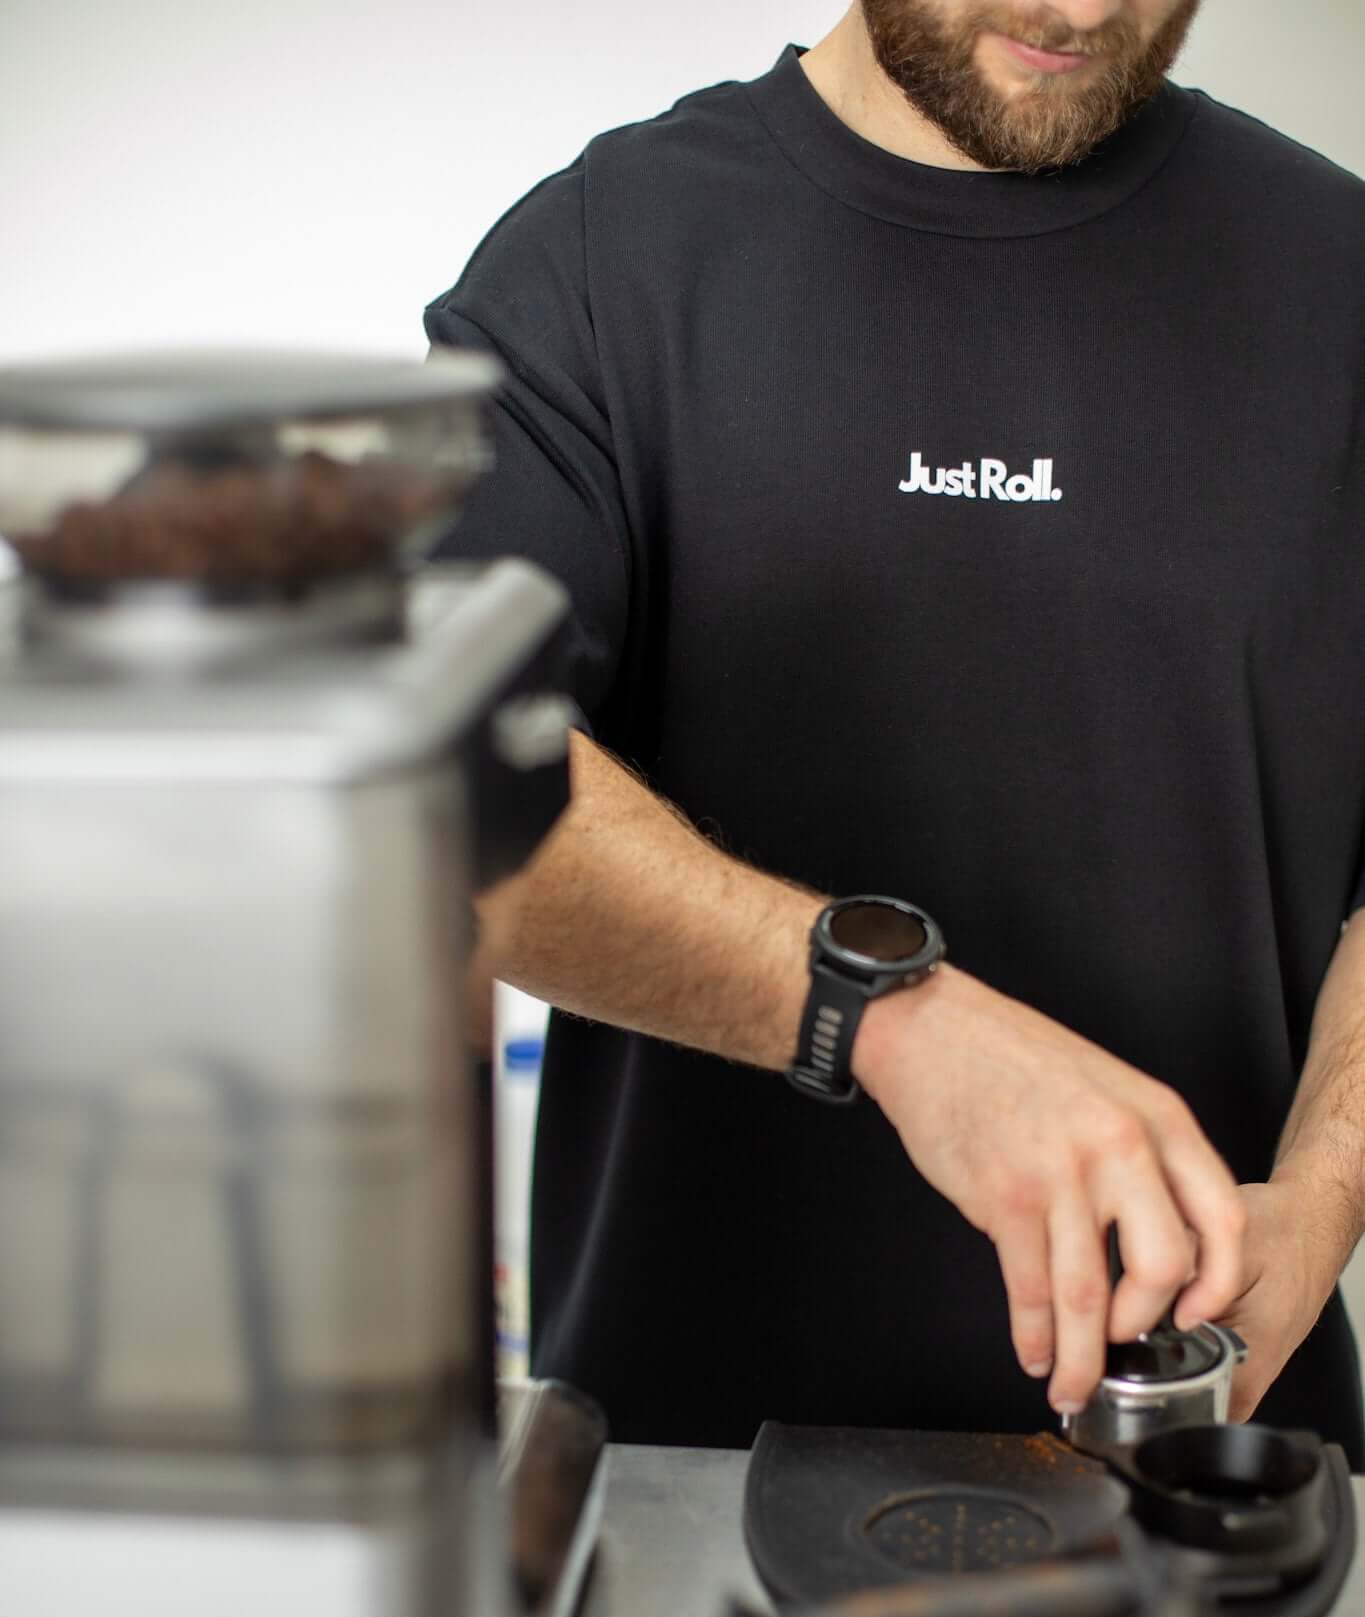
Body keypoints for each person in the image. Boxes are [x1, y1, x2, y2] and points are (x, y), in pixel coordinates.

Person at [426, 1, 1365, 1463]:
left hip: (1217, 1466)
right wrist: (887, 1019)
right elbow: (434, 793)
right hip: (689, 1465)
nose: (1081, 8)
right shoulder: (602, 259)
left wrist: (1317, 1201)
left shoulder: (1338, 276)